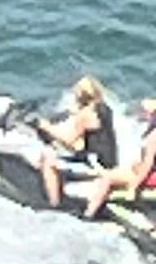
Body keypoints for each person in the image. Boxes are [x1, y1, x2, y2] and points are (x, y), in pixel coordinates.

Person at [35, 72, 118, 207]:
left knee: (48, 160)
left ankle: (53, 203)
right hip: (109, 161)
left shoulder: (85, 114)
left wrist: (47, 127)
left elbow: (69, 140)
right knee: (66, 154)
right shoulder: (105, 109)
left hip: (96, 165)